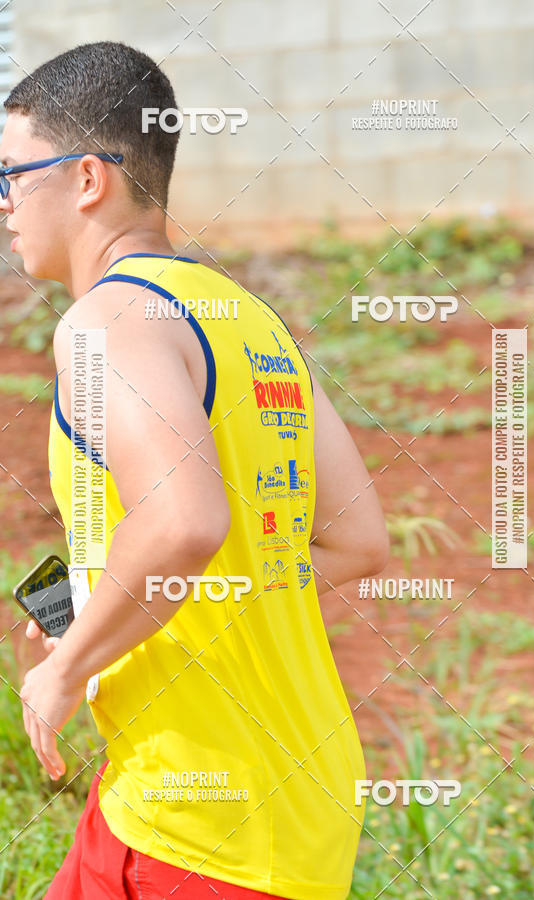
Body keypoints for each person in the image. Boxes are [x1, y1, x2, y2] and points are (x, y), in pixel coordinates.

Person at [1, 41, 390, 900]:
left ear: (89, 179)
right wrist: (111, 616)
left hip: (203, 834)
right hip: (278, 791)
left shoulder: (104, 323)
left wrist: (63, 672)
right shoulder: (250, 321)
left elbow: (183, 524)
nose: (4, 205)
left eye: (13, 175)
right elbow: (358, 541)